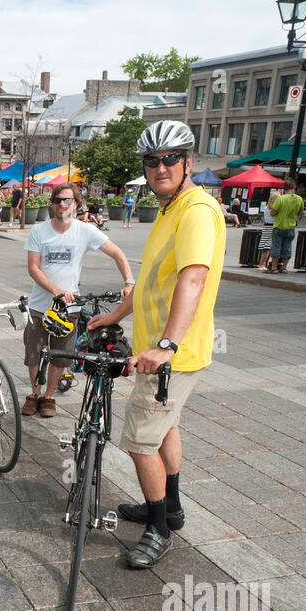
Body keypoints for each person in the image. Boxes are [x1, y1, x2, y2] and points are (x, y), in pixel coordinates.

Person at [85, 121, 225, 569]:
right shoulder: (169, 209)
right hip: (161, 352)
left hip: (169, 356)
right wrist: (115, 315)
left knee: (140, 440)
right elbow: (151, 282)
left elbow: (194, 276)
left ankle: (158, 529)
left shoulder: (196, 210)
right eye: (152, 160)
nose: (160, 167)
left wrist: (166, 344)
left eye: (169, 159)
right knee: (166, 427)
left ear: (187, 163)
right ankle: (170, 507)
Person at [21, 181, 135, 419]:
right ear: (52, 204)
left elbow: (117, 253)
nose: (62, 205)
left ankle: (49, 397)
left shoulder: (85, 230)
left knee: (61, 356)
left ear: (76, 203)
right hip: (40, 306)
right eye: (57, 200)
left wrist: (129, 282)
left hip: (69, 308)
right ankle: (34, 394)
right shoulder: (39, 231)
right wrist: (56, 290)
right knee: (34, 353)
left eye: (67, 200)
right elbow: (33, 269)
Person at [266, 178, 304, 273]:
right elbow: (300, 213)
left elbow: (272, 213)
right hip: (291, 227)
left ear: (284, 188)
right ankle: (284, 267)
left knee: (276, 246)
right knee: (287, 247)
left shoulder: (280, 199)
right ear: (294, 187)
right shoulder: (299, 199)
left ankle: (274, 267)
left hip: (279, 226)